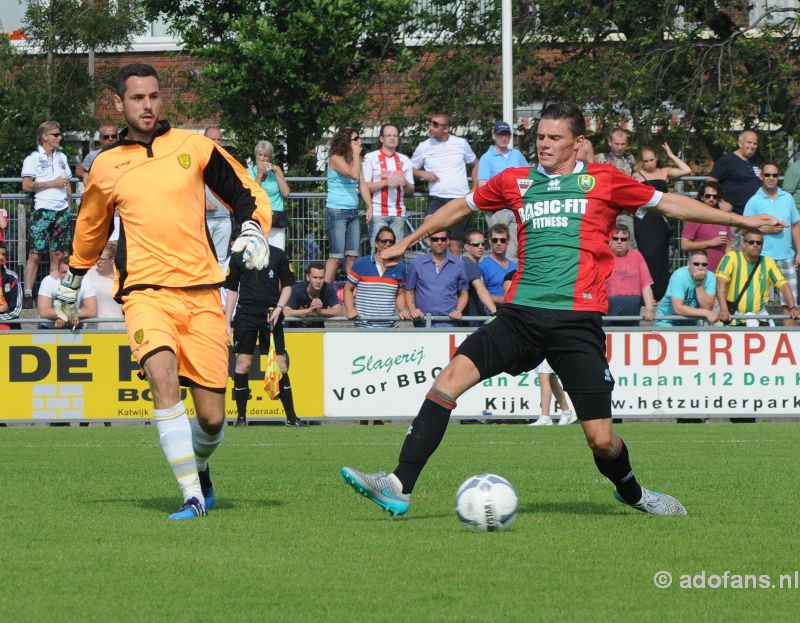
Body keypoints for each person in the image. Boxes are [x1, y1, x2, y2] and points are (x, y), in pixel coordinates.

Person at [340, 101, 781, 519]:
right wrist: (405, 242)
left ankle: (635, 494)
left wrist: (742, 221)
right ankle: (400, 484)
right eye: (541, 137)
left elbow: (668, 203)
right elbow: (459, 206)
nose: (545, 144)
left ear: (578, 142)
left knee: (601, 440)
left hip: (577, 322)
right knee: (448, 379)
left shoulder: (605, 180)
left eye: (555, 137)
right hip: (521, 315)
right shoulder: (516, 181)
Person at [54, 63, 272, 520]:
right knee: (162, 378)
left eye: (153, 96)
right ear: (119, 104)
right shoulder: (107, 165)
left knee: (212, 419)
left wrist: (253, 226)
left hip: (201, 295)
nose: (147, 105)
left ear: (161, 97)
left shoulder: (194, 147)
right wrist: (74, 277)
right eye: (137, 98)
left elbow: (247, 190)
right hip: (145, 293)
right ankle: (192, 495)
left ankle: (202, 467)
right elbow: (91, 226)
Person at [225, 245, 302, 427]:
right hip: (246, 316)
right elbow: (232, 290)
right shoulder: (238, 256)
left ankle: (292, 418)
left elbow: (288, 285)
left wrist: (279, 308)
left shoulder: (277, 254)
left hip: (271, 315)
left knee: (280, 365)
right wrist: (227, 321)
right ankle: (241, 418)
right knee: (243, 365)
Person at [20, 120, 73, 309]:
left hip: (62, 211)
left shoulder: (62, 157)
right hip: (42, 210)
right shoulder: (33, 158)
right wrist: (52, 183)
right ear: (45, 137)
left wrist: (69, 202)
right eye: (56, 134)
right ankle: (27, 293)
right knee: (35, 253)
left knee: (58, 254)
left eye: (59, 134)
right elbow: (26, 185)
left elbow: (66, 182)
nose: (60, 137)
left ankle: (54, 292)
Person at [411, 113, 478, 256]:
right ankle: (434, 273)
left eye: (435, 124)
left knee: (454, 245)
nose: (430, 127)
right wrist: (423, 174)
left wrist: (475, 187)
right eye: (430, 123)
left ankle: (452, 276)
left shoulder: (461, 144)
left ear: (446, 128)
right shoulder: (424, 146)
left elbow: (475, 164)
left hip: (459, 198)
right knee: (432, 235)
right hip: (437, 198)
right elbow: (410, 168)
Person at [631, 143, 691, 299]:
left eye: (651, 160)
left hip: (661, 218)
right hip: (644, 218)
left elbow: (687, 170)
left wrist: (671, 155)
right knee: (647, 255)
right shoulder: (637, 175)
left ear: (657, 158)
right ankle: (648, 295)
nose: (649, 164)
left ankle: (662, 293)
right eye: (645, 161)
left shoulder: (664, 172)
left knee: (662, 256)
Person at [743, 162, 800, 326]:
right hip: (761, 259)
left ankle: (790, 343)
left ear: (778, 177)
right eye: (767, 175)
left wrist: (799, 253)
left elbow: (796, 226)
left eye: (774, 175)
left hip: (786, 258)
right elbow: (744, 228)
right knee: (759, 304)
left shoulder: (788, 198)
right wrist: (766, 229)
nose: (771, 178)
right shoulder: (754, 201)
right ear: (761, 176)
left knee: (790, 305)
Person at [716, 229, 800, 326]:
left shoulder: (768, 262)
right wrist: (723, 309)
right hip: (734, 317)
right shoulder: (731, 258)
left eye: (759, 243)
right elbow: (720, 283)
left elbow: (783, 285)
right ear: (743, 244)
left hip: (760, 317)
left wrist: (792, 308)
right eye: (751, 242)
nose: (755, 245)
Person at [477, 121, 529, 262]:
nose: (504, 138)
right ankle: (499, 281)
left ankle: (512, 280)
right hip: (497, 209)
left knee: (515, 248)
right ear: (494, 136)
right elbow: (482, 186)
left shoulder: (516, 155)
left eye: (506, 135)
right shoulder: (487, 158)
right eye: (501, 135)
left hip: (516, 208)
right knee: (499, 247)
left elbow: (529, 175)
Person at [343, 227, 410, 328]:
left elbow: (400, 294)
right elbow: (348, 288)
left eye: (391, 241)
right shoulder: (361, 263)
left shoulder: (399, 266)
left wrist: (402, 309)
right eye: (384, 241)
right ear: (376, 243)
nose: (388, 244)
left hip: (389, 328)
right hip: (364, 327)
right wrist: (349, 309)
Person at [360, 123, 414, 247]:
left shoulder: (404, 159)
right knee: (377, 251)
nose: (392, 138)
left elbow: (411, 190)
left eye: (395, 135)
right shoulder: (371, 157)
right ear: (381, 139)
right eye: (388, 135)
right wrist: (385, 182)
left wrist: (405, 183)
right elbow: (365, 186)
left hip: (398, 213)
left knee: (396, 252)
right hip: (378, 212)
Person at [405, 231, 468, 328]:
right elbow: (409, 291)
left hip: (450, 323)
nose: (439, 242)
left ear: (447, 241)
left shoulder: (458, 264)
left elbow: (463, 293)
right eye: (435, 239)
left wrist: (458, 311)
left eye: (443, 239)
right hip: (423, 323)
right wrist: (413, 310)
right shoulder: (417, 263)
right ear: (429, 241)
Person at [325, 127, 363, 283]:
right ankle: (325, 295)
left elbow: (362, 182)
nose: (359, 142)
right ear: (346, 142)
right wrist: (356, 154)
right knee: (336, 257)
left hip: (353, 212)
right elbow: (352, 174)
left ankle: (351, 295)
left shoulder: (356, 160)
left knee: (352, 255)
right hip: (337, 212)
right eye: (355, 139)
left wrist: (369, 205)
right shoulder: (335, 158)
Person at [594, 127, 638, 247]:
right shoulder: (600, 158)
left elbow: (636, 177)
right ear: (610, 142)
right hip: (605, 209)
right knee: (606, 242)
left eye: (623, 144)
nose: (620, 147)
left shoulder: (630, 159)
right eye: (617, 144)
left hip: (625, 210)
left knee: (628, 243)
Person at [605, 225, 656, 326]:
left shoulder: (636, 256)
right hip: (607, 314)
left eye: (623, 239)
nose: (619, 241)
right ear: (610, 240)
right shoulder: (604, 256)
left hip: (632, 315)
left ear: (628, 242)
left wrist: (649, 309)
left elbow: (646, 285)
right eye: (615, 238)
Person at [248, 139, 291, 250]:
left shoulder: (275, 173)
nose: (262, 158)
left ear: (270, 158)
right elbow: (252, 194)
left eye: (265, 156)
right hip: (257, 215)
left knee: (277, 251)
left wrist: (277, 172)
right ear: (255, 156)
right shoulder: (248, 172)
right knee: (256, 253)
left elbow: (286, 193)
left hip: (275, 217)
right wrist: (259, 175)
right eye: (260, 155)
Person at [654, 251, 717, 327]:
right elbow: (677, 308)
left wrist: (698, 283)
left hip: (691, 321)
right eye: (696, 264)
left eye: (704, 265)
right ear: (689, 264)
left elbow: (707, 307)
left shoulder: (711, 277)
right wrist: (705, 313)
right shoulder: (679, 275)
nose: (700, 267)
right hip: (667, 320)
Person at [680, 181, 733, 272]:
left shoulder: (723, 218)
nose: (711, 199)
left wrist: (732, 264)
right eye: (708, 196)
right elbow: (684, 245)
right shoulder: (695, 218)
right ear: (702, 197)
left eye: (715, 197)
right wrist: (710, 243)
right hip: (701, 270)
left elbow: (728, 247)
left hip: (722, 271)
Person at [707, 130, 761, 215]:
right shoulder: (727, 161)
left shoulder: (755, 160)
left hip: (753, 214)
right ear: (740, 143)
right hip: (733, 215)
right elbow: (710, 183)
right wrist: (720, 201)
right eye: (749, 142)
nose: (752, 146)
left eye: (755, 144)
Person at [37, 257, 97, 329]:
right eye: (64, 272)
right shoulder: (49, 281)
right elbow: (44, 312)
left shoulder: (85, 281)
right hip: (48, 328)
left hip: (74, 328)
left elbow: (91, 311)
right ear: (58, 272)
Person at [203, 127, 234, 263]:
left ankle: (219, 285)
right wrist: (204, 201)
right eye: (213, 139)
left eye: (219, 139)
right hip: (205, 218)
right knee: (204, 257)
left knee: (221, 258)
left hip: (224, 217)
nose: (217, 142)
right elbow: (190, 185)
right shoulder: (199, 159)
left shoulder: (226, 161)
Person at [80, 241, 124, 330]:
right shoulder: (88, 275)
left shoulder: (123, 278)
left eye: (102, 259)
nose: (98, 262)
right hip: (94, 331)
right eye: (97, 258)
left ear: (113, 260)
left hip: (120, 330)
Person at [284, 261, 343, 328]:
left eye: (321, 278)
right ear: (308, 277)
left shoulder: (328, 289)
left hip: (318, 332)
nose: (318, 281)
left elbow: (338, 312)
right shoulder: (297, 290)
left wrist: (320, 311)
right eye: (315, 277)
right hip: (295, 331)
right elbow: (286, 312)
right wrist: (309, 310)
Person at [461, 229, 496, 324]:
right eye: (476, 244)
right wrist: (496, 313)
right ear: (466, 247)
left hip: (473, 318)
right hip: (470, 321)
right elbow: (481, 290)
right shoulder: (468, 264)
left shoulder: (472, 264)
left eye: (483, 244)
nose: (481, 247)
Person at [479, 223, 517, 304]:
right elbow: (479, 294)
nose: (498, 243)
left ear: (508, 241)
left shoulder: (515, 266)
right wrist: (504, 301)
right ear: (490, 241)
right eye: (495, 240)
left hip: (513, 313)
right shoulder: (483, 266)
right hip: (493, 314)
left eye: (502, 240)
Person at [0, 242, 22, 330]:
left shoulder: (13, 277)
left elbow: (16, 310)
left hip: (8, 329)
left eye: (3, 254)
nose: (1, 257)